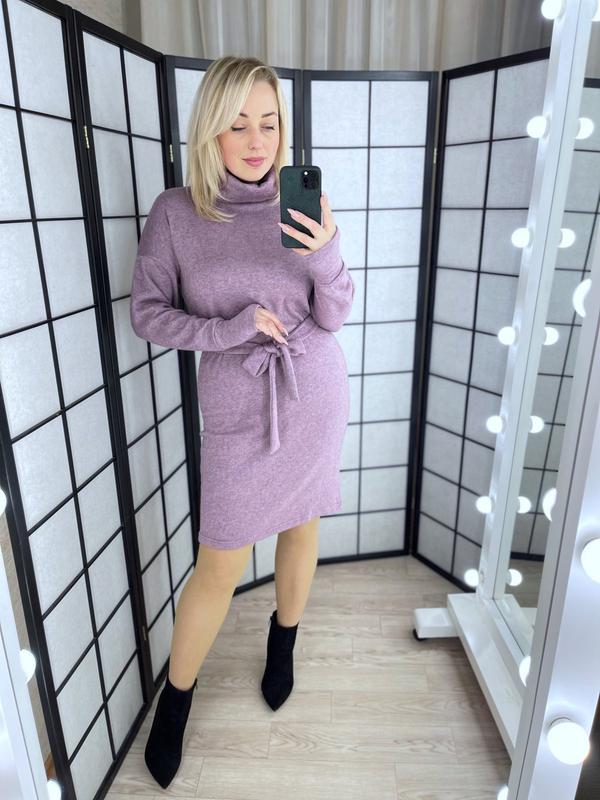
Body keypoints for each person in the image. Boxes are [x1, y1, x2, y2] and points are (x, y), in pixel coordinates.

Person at [129, 55, 354, 789]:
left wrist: (327, 252)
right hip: (235, 398)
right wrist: (228, 329)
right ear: (210, 130)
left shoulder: (302, 204)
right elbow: (147, 314)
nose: (257, 141)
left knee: (302, 526)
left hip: (312, 387)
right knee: (220, 561)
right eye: (238, 125)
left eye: (270, 122)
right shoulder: (177, 213)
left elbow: (335, 313)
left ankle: (282, 644)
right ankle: (175, 701)